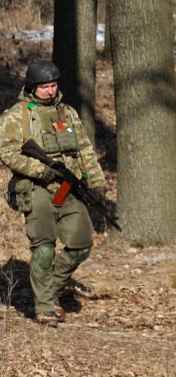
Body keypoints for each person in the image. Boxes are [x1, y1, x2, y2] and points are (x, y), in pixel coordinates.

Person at [0, 60, 107, 325]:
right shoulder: (17, 115)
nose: (50, 90)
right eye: (45, 86)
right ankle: (45, 306)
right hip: (36, 189)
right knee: (44, 248)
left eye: (53, 85)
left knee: (81, 244)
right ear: (32, 87)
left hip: (67, 189)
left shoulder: (67, 113)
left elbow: (84, 149)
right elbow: (7, 152)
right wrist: (40, 170)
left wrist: (96, 181)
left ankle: (53, 287)